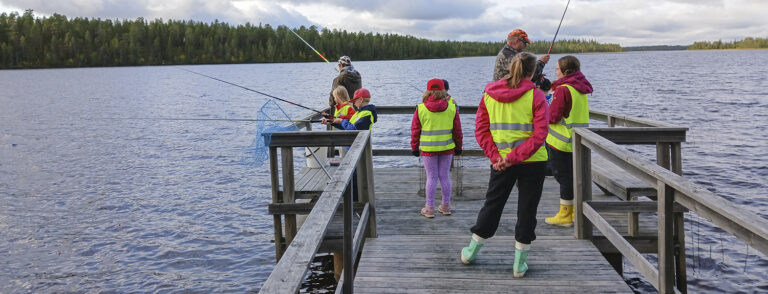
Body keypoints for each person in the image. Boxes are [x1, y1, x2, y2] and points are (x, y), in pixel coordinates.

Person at [460, 52, 549, 279]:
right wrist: (513, 157)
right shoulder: (536, 96)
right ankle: (519, 265)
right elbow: (539, 135)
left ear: (511, 68)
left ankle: (470, 252)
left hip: (500, 162)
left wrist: (496, 157)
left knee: (492, 205)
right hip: (532, 162)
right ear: (532, 72)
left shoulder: (489, 94)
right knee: (527, 210)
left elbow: (481, 131)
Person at [543, 55, 593, 227]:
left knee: (563, 177)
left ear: (566, 71)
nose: (555, 72)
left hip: (561, 142)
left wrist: (545, 106)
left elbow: (554, 116)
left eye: (557, 69)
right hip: (577, 141)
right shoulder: (579, 87)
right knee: (571, 177)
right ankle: (573, 212)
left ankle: (565, 215)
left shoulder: (564, 89)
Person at [411, 79, 463, 218]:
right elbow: (457, 130)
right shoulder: (452, 107)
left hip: (428, 149)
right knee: (444, 176)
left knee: (432, 177)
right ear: (444, 90)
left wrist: (414, 147)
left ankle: (429, 209)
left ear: (428, 91)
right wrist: (459, 146)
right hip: (447, 148)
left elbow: (415, 130)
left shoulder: (420, 108)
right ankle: (446, 206)